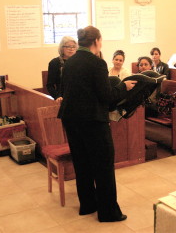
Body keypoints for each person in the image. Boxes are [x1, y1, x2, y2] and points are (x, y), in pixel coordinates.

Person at [58, 26, 137, 222]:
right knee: (103, 166)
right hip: (92, 121)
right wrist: (123, 87)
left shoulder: (70, 62)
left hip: (71, 119)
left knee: (82, 163)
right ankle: (108, 212)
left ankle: (88, 204)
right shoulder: (98, 63)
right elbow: (107, 97)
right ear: (97, 41)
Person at [46, 36, 77, 101]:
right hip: (62, 98)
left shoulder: (79, 62)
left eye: (73, 46)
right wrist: (57, 96)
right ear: (62, 48)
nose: (71, 49)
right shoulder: (54, 63)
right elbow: (50, 85)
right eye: (68, 46)